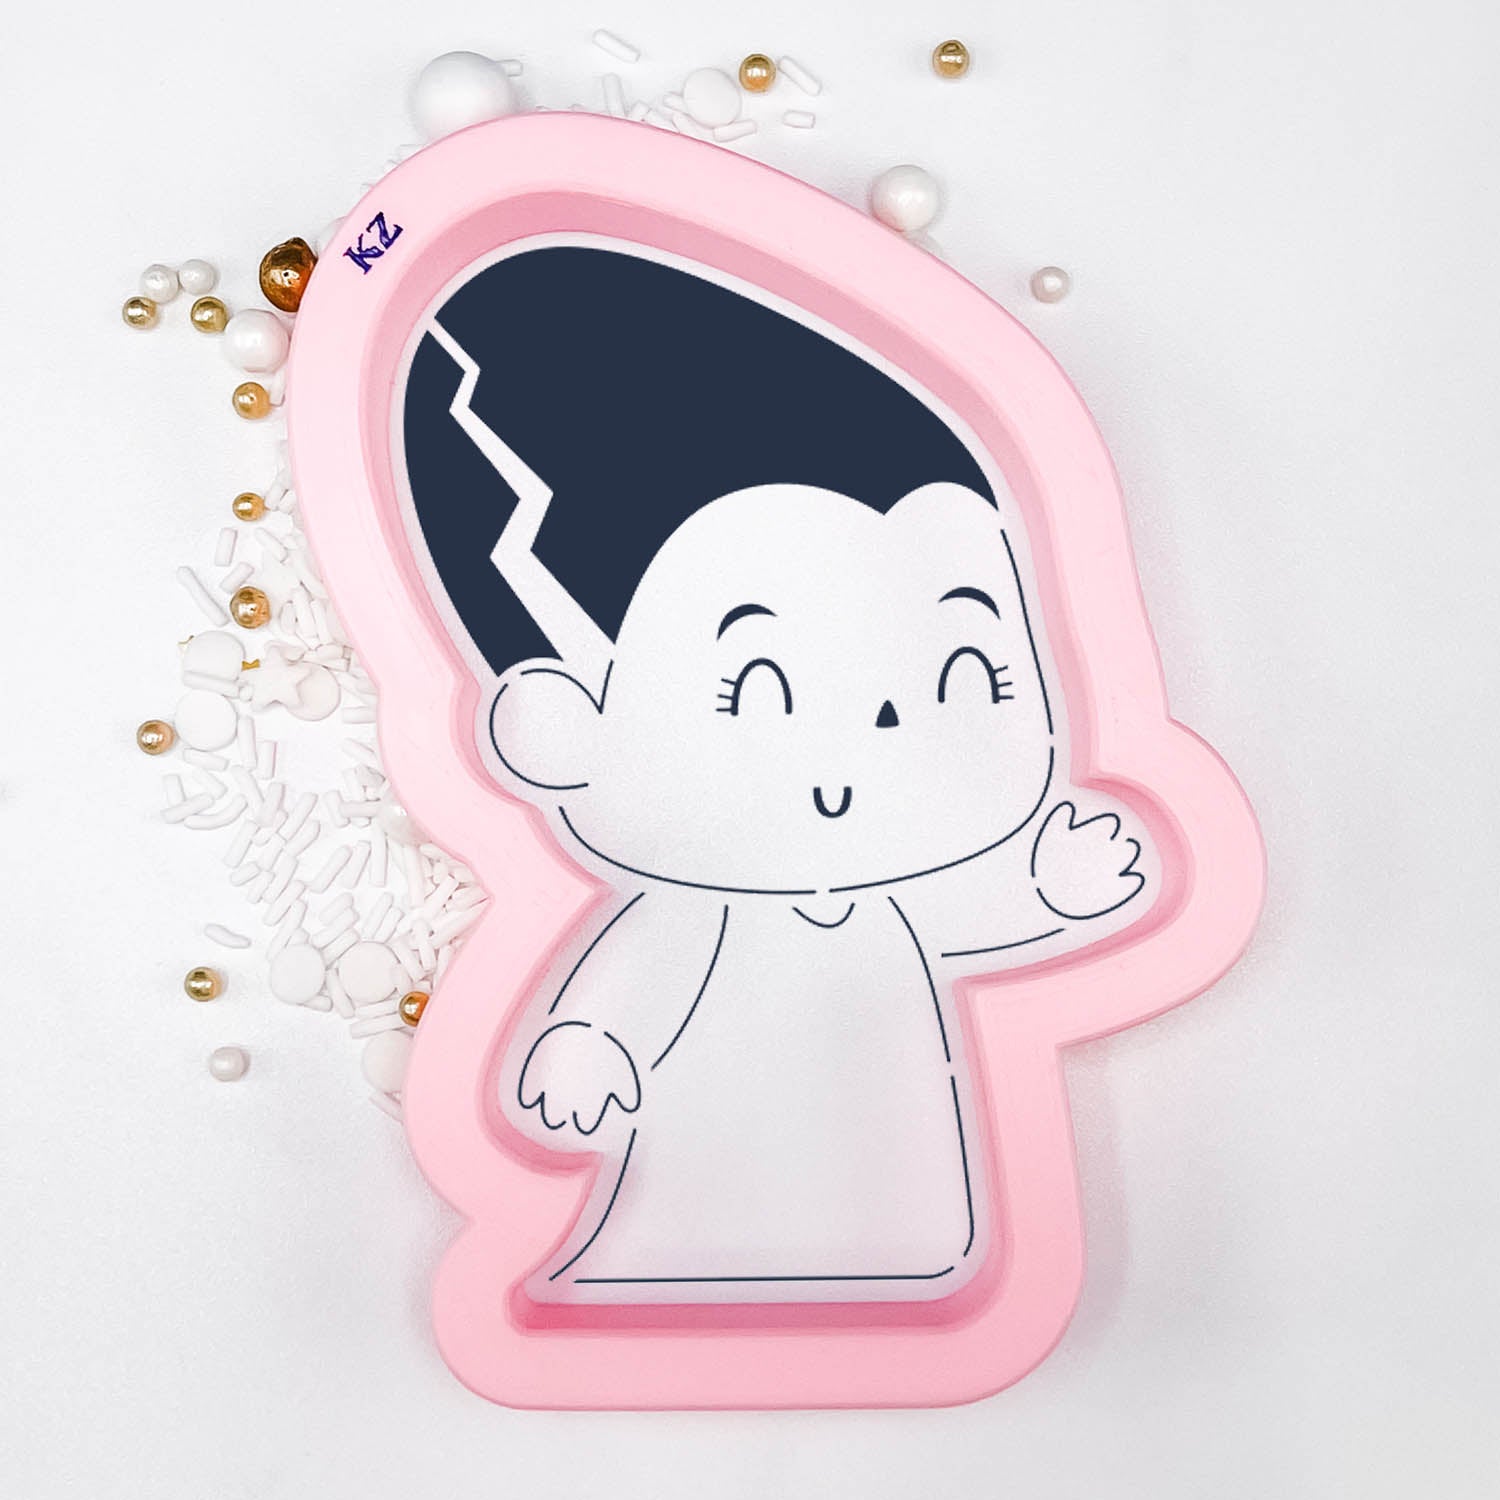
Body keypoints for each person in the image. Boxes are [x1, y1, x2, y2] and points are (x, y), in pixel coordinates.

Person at [402, 244, 1149, 1304]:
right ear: (564, 728)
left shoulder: (897, 881)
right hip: (696, 1215)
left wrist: (1053, 888)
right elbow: (631, 988)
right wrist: (588, 1043)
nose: (868, 742)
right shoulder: (692, 909)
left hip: (913, 1221)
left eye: (963, 673)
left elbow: (975, 912)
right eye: (758, 693)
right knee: (704, 1209)